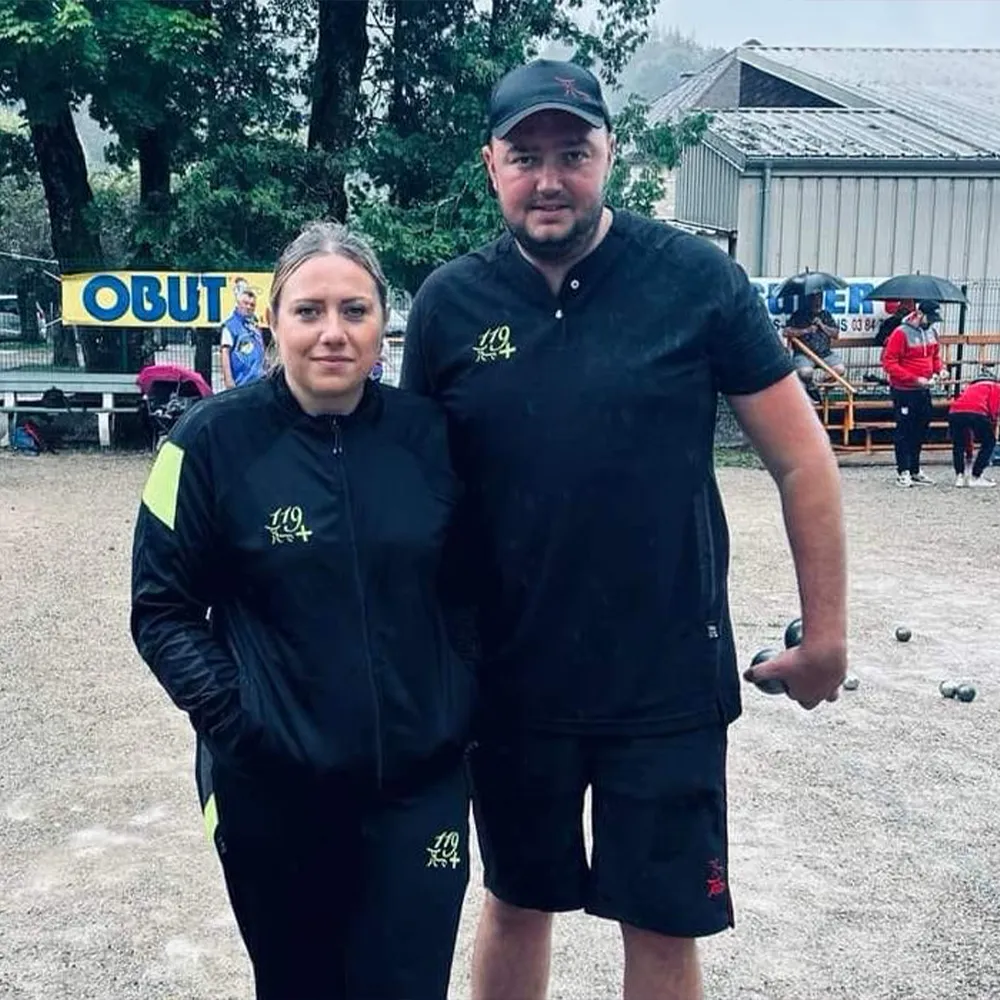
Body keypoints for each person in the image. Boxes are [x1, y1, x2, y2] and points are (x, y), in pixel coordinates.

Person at [401, 58, 848, 1000]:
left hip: (665, 682)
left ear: (610, 154)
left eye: (573, 153)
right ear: (491, 165)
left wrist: (828, 639)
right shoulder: (449, 304)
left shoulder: (696, 281)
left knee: (663, 924)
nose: (549, 178)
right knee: (515, 903)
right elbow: (413, 498)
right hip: (510, 683)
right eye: (526, 155)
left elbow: (803, 459)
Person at [131, 222, 475, 1000]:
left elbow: (474, 589)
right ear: (272, 320)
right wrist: (243, 723)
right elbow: (160, 609)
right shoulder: (205, 443)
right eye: (309, 311)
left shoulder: (432, 439)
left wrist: (458, 699)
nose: (332, 333)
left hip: (419, 789)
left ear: (382, 323)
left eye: (354, 310)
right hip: (271, 790)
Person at [881, 300, 944, 488]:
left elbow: (934, 356)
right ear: (919, 314)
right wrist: (914, 378)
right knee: (904, 429)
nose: (931, 322)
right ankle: (903, 470)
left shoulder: (932, 333)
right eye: (929, 318)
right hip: (904, 390)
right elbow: (889, 363)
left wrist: (940, 370)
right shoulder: (900, 333)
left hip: (923, 389)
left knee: (921, 428)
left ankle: (915, 468)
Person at [783, 291, 846, 384]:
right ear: (809, 300)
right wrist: (806, 330)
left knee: (840, 369)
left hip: (825, 354)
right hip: (804, 354)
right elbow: (786, 332)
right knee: (805, 372)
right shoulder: (799, 315)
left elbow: (835, 334)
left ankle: (820, 385)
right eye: (815, 299)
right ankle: (810, 389)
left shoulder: (826, 315)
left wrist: (822, 326)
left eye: (820, 299)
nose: (818, 302)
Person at [948, 376, 999, 488]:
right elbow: (993, 408)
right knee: (989, 442)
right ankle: (976, 476)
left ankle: (959, 477)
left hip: (955, 412)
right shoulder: (995, 387)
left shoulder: (970, 387)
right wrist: (993, 421)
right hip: (977, 412)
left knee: (958, 444)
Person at [220, 287, 266, 389]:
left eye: (252, 305)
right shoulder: (230, 326)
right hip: (240, 383)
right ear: (238, 304)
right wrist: (229, 380)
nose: (249, 307)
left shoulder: (255, 325)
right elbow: (225, 353)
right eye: (245, 303)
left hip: (259, 381)